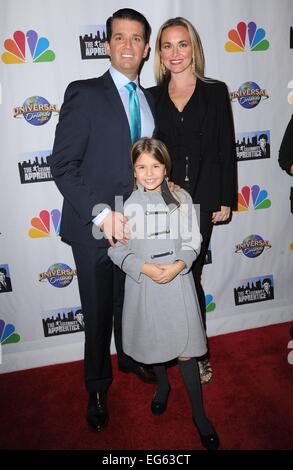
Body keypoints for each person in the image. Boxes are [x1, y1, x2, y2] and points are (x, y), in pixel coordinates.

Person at [50, 8, 156, 433]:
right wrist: (102, 213)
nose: (128, 45)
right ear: (107, 44)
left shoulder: (149, 99)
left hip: (138, 227)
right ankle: (96, 385)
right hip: (93, 225)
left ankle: (129, 358)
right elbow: (63, 165)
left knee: (128, 303)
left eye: (136, 38)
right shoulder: (84, 92)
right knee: (96, 312)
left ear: (146, 48)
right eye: (119, 37)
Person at [108, 137, 220, 450]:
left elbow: (194, 240)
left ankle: (200, 416)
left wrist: (179, 265)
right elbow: (117, 251)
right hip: (144, 286)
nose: (149, 173)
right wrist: (143, 268)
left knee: (185, 350)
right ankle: (162, 388)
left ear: (165, 166)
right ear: (133, 169)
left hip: (178, 282)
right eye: (141, 167)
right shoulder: (124, 204)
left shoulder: (182, 197)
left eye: (155, 166)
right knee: (154, 341)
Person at [149, 17, 237, 384]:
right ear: (159, 53)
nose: (174, 53)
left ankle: (198, 353)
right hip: (162, 203)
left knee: (190, 275)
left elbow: (226, 149)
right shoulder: (150, 96)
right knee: (162, 278)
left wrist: (226, 198)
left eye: (181, 44)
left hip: (202, 200)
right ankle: (163, 349)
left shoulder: (216, 91)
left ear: (194, 48)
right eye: (166, 46)